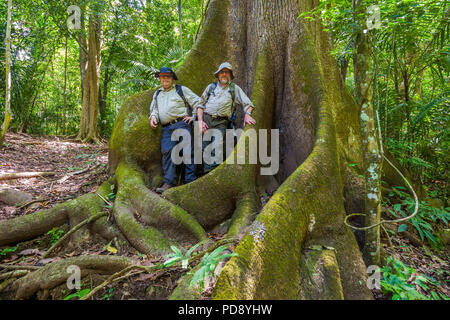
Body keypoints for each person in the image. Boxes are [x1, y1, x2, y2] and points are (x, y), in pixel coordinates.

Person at [149, 67, 202, 193]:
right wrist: (153, 118)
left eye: (168, 76)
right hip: (166, 128)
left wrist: (193, 116)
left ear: (172, 78)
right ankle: (169, 182)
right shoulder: (157, 94)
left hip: (181, 124)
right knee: (167, 153)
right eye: (163, 76)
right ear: (160, 79)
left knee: (187, 152)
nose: (165, 78)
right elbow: (154, 110)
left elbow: (198, 102)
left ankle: (190, 181)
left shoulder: (180, 90)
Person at [196, 62, 256, 173]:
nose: (224, 74)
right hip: (206, 120)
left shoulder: (234, 89)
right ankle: (206, 174)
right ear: (218, 75)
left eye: (227, 72)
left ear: (230, 75)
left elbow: (248, 104)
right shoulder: (211, 87)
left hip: (221, 122)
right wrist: (200, 121)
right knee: (204, 148)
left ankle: (212, 174)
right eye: (222, 72)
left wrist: (247, 114)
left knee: (216, 148)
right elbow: (200, 105)